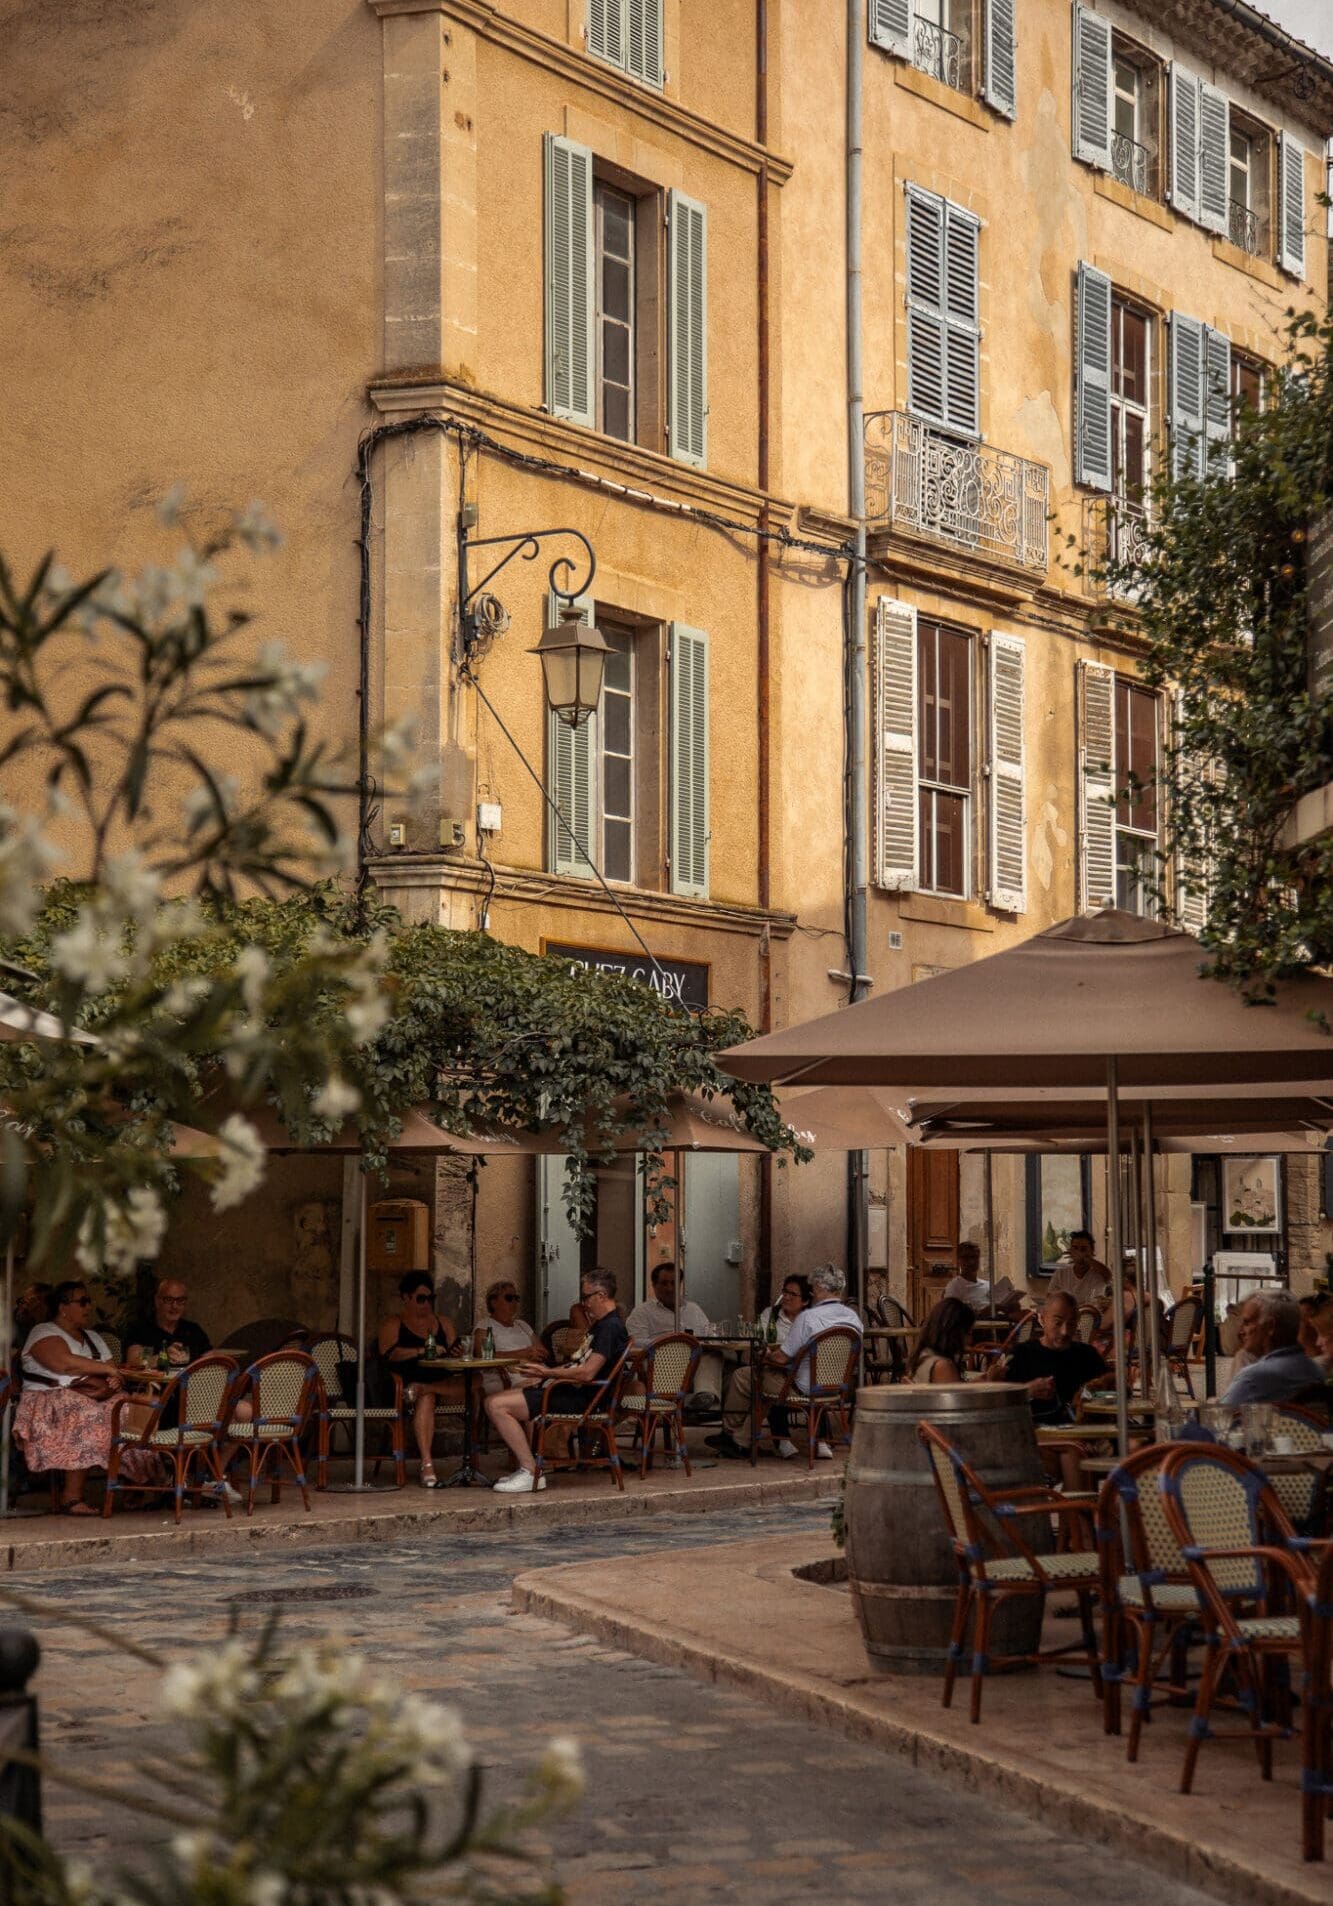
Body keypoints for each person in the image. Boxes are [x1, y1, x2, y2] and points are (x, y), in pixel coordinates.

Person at [12, 1280, 151, 1514]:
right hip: (49, 1398)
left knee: (132, 1410)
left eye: (89, 1301)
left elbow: (112, 1370)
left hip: (96, 1395)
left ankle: (133, 1485)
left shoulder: (94, 1337)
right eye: (83, 1301)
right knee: (85, 1413)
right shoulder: (43, 1331)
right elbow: (65, 1364)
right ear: (63, 1307)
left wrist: (115, 1379)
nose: (89, 1306)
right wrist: (107, 1370)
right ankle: (72, 1497)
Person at [486, 1267, 629, 1494]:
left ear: (601, 1296)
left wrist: (548, 1374)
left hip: (581, 1399)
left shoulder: (609, 1328)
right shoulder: (602, 1325)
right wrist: (544, 1371)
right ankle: (529, 1468)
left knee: (496, 1404)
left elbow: (587, 1372)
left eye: (586, 1297)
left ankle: (530, 1470)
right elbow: (577, 1364)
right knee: (498, 1400)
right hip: (571, 1392)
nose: (584, 1304)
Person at [1001, 1290, 1106, 1493]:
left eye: (1071, 1324)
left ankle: (1078, 1511)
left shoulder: (1087, 1355)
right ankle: (1080, 1511)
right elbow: (1001, 1401)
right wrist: (1028, 1391)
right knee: (1074, 1451)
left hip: (1083, 1431)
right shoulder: (1023, 1355)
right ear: (1042, 1319)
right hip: (1035, 1435)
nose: (1065, 1331)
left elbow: (1112, 1390)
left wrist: (1104, 1386)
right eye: (1058, 1323)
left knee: (1135, 1445)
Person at [761, 1263, 862, 1460]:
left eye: (813, 1287)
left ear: (820, 1288)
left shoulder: (807, 1318)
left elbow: (781, 1358)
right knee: (800, 1378)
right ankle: (820, 1441)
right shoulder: (854, 1318)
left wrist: (766, 1355)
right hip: (838, 1388)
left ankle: (778, 1440)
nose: (812, 1292)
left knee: (759, 1376)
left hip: (804, 1388)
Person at [705, 1275, 812, 1460]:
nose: (786, 1297)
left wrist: (777, 1354)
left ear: (805, 1301)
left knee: (746, 1378)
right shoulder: (771, 1315)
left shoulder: (807, 1321)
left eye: (792, 1294)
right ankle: (740, 1438)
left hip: (794, 1380)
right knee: (751, 1379)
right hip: (777, 1372)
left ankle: (732, 1434)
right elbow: (759, 1341)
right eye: (785, 1292)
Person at [377, 1272, 463, 1489]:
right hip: (407, 1385)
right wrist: (421, 1350)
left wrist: (457, 1352)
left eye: (430, 1299)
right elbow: (388, 1354)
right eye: (420, 1298)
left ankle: (426, 1388)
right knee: (427, 1399)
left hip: (440, 1381)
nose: (426, 1304)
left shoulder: (443, 1322)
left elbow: (455, 1351)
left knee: (477, 1382)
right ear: (406, 1298)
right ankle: (427, 1464)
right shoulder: (394, 1323)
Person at [626, 1263, 721, 1413]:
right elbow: (634, 1342)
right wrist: (671, 1343)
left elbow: (709, 1335)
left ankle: (704, 1399)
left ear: (680, 1285)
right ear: (654, 1286)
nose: (669, 1288)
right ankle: (698, 1406)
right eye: (664, 1283)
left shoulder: (694, 1309)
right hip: (660, 1370)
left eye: (673, 1283)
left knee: (716, 1357)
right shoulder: (642, 1312)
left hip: (692, 1369)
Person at [1220, 1290, 1325, 1406]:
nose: (1240, 1331)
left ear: (1270, 1326)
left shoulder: (1252, 1379)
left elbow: (1222, 1415)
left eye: (1247, 1323)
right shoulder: (1317, 1372)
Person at [471, 1280, 546, 1395]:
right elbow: (484, 1357)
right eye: (509, 1298)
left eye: (516, 1298)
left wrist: (536, 1355)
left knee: (562, 1385)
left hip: (533, 1370)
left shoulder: (522, 1325)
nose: (514, 1302)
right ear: (494, 1302)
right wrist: (522, 1354)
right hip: (504, 1375)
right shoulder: (484, 1326)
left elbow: (543, 1352)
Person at [124, 1277, 211, 1368]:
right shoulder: (140, 1329)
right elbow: (133, 1362)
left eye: (180, 1300)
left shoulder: (193, 1330)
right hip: (153, 1377)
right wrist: (163, 1357)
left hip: (190, 1377)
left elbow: (210, 1358)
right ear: (157, 1301)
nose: (175, 1306)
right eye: (169, 1299)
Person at [944, 1242, 1020, 1316]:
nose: (971, 1262)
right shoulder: (954, 1287)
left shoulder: (988, 1285)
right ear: (959, 1260)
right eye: (966, 1258)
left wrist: (1011, 1307)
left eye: (974, 1257)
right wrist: (985, 1312)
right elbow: (951, 1316)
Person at [911, 1298, 976, 1384]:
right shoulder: (942, 1366)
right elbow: (955, 1392)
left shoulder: (924, 1354)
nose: (970, 1340)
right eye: (968, 1333)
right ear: (954, 1333)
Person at [1048, 1230, 1112, 1307]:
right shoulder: (1060, 1273)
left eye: (1083, 1249)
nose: (1079, 1252)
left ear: (1092, 1251)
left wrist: (1086, 1258)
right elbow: (1050, 1297)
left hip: (1090, 1313)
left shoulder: (1098, 1274)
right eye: (1075, 1248)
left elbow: (1108, 1274)